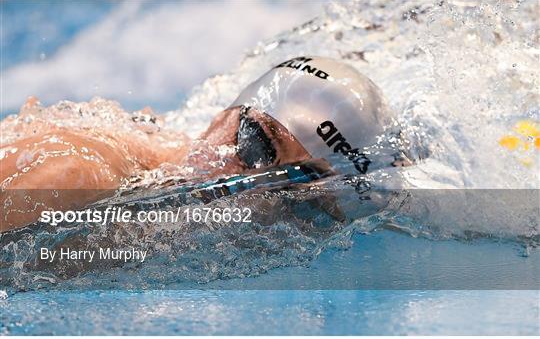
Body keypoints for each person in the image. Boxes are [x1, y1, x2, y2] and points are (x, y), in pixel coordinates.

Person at [0, 56, 405, 232]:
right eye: (256, 145)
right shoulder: (75, 175)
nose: (253, 190)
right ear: (226, 114)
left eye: (296, 191)